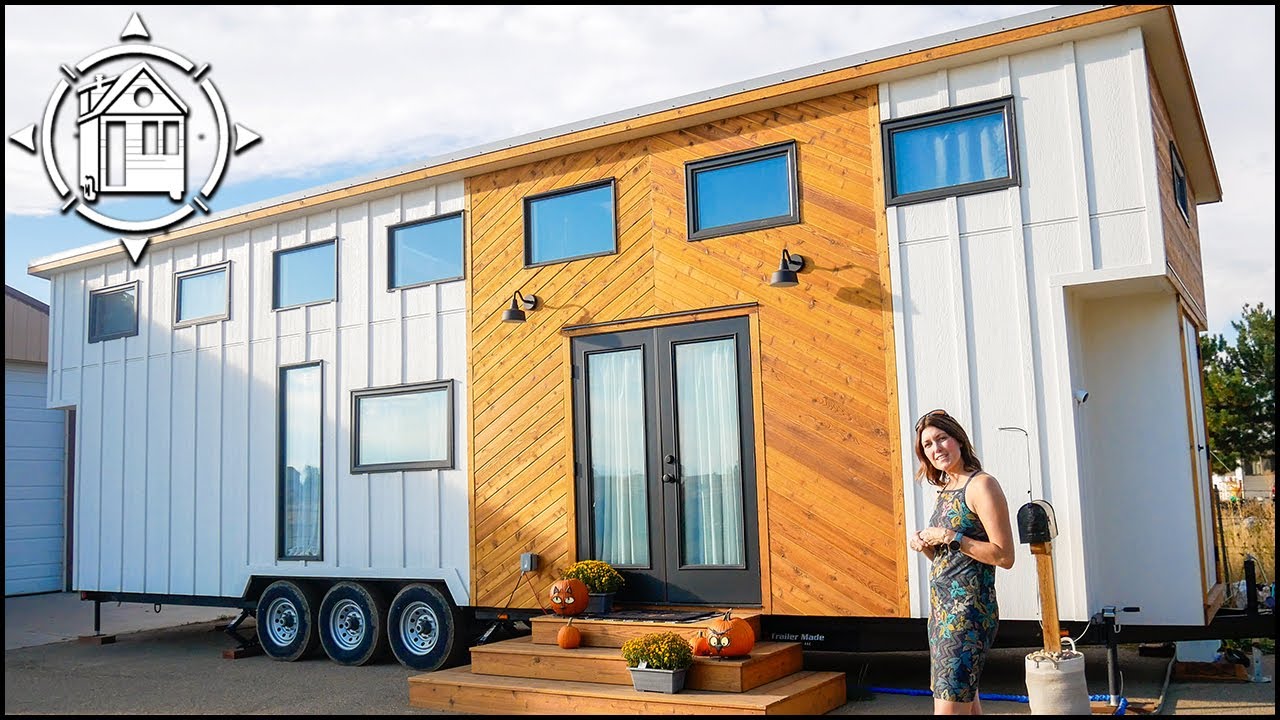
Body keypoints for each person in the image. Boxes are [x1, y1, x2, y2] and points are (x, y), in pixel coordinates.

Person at [907, 409, 1015, 715]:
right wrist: (926, 545)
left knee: (949, 708)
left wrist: (950, 535)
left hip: (968, 614)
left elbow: (1004, 556)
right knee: (968, 707)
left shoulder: (982, 485)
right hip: (941, 613)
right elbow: (951, 557)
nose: (936, 448)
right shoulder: (944, 490)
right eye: (927, 445)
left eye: (942, 438)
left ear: (958, 440)